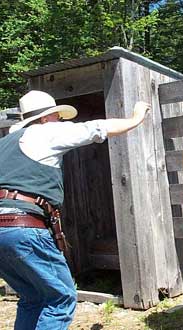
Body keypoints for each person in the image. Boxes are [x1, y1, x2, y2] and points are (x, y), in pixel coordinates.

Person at [0, 90, 150, 330]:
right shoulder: (45, 131)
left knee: (32, 298)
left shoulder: (4, 144)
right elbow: (98, 127)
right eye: (57, 117)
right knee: (61, 298)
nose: (59, 121)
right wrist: (136, 117)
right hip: (23, 227)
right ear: (47, 117)